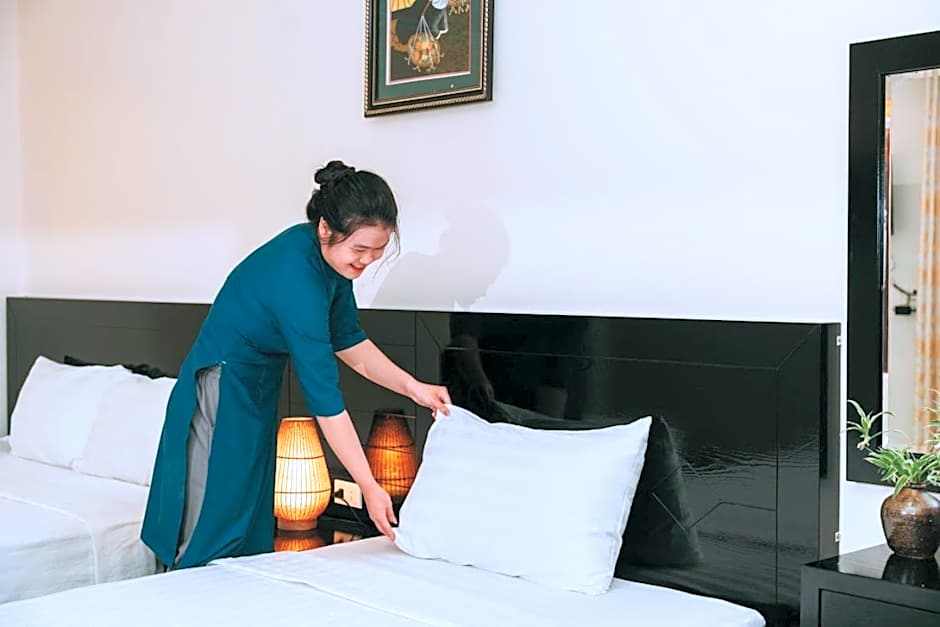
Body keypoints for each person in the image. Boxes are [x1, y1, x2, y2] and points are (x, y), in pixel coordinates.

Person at [141, 160, 451, 570]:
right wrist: (368, 485)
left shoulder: (333, 265)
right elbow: (326, 400)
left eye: (377, 251)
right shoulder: (297, 279)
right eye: (360, 250)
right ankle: (177, 596)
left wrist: (414, 388)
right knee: (212, 516)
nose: (367, 262)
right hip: (222, 382)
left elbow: (350, 341)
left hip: (257, 386)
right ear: (325, 229)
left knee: (247, 516)